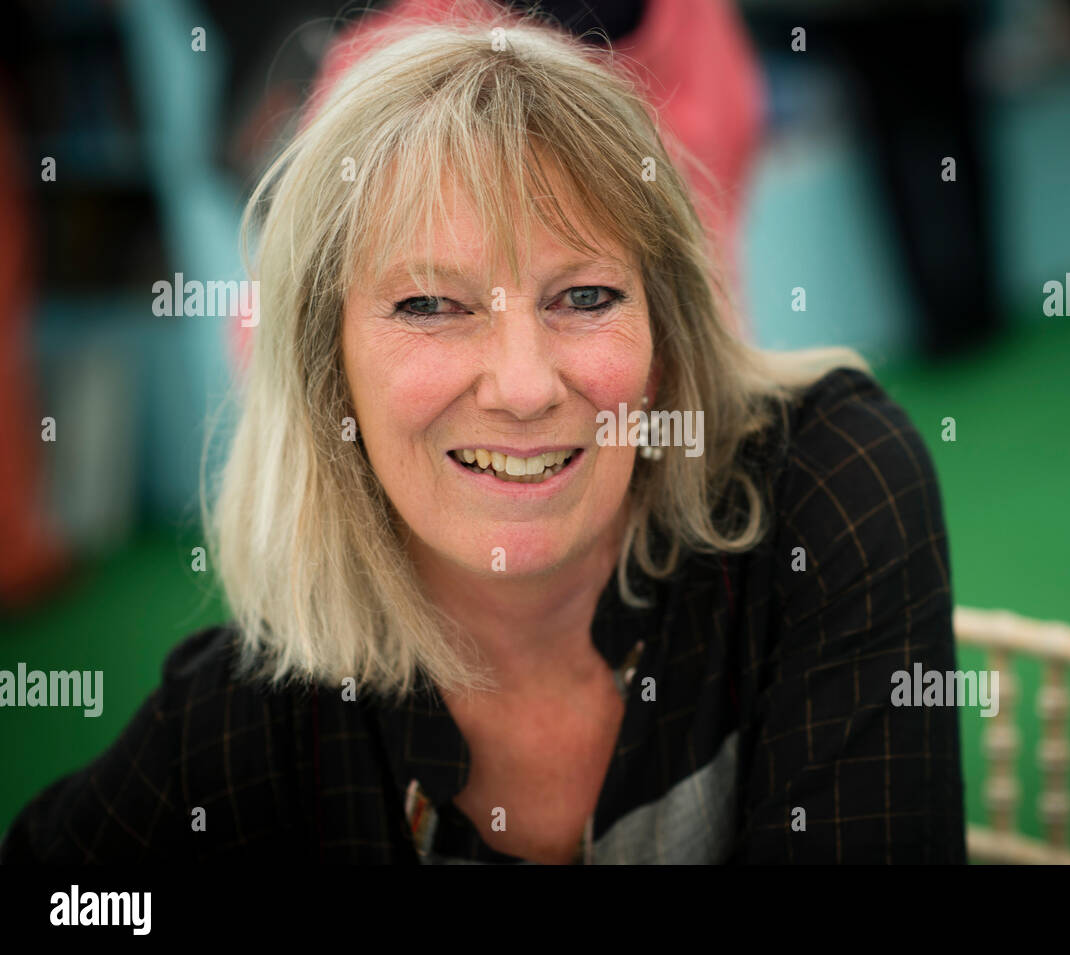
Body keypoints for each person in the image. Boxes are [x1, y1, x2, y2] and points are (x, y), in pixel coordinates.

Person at [0, 17, 965, 864]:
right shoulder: (252, 716)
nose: (522, 386)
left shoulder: (824, 484)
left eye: (584, 297)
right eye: (431, 305)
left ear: (665, 338)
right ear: (326, 371)